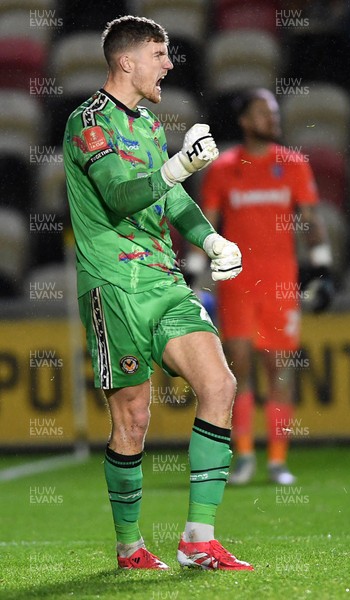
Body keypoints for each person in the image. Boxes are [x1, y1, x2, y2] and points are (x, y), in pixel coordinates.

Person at [63, 15, 253, 571]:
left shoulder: (146, 122)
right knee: (133, 419)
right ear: (127, 60)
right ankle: (129, 547)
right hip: (112, 286)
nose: (169, 63)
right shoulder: (86, 122)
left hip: (165, 282)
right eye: (160, 53)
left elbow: (168, 201)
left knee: (219, 384)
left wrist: (212, 238)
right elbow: (122, 196)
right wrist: (175, 169)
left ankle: (198, 540)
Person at [198, 88, 334, 486]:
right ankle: (242, 456)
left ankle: (277, 460)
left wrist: (322, 269)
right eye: (263, 113)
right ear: (244, 121)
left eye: (274, 113)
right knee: (238, 369)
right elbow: (206, 222)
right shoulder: (223, 168)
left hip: (280, 284)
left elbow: (310, 219)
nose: (272, 120)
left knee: (280, 371)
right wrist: (194, 271)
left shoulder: (292, 165)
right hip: (236, 284)